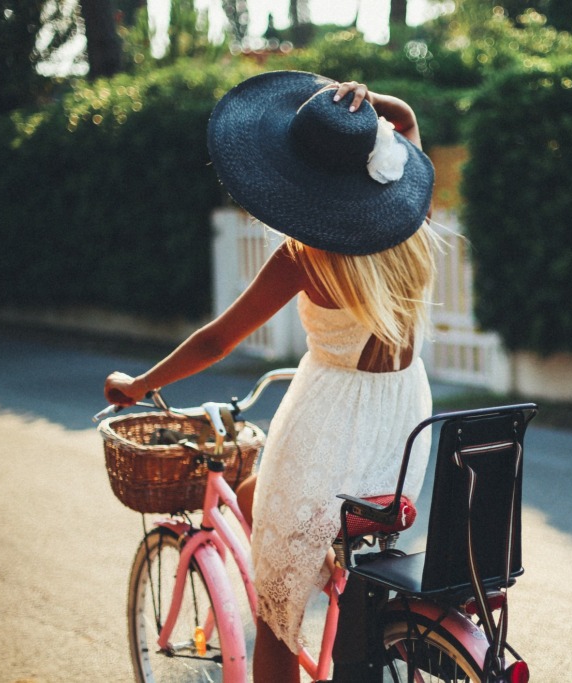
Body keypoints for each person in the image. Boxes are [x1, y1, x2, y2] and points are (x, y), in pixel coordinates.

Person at [104, 71, 437, 682]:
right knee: (257, 496)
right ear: (375, 155)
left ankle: (292, 612)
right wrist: (361, 101)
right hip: (403, 428)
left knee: (274, 610)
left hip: (330, 421)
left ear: (299, 175)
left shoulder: (304, 257)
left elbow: (216, 340)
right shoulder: (406, 225)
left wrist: (137, 383)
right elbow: (407, 119)